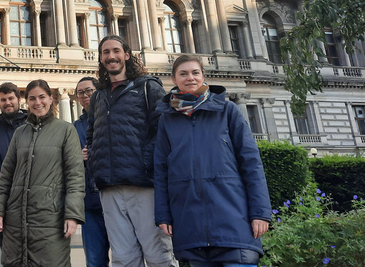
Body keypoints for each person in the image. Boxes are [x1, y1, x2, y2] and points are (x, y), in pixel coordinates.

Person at [154, 55, 272, 267]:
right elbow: (161, 170)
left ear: (203, 76)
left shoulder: (228, 111)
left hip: (233, 222)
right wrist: (163, 215)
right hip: (190, 226)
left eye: (195, 72)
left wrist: (260, 213)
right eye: (183, 73)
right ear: (173, 79)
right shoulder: (167, 119)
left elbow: (252, 164)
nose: (190, 77)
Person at [86, 35, 176, 267]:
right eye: (105, 52)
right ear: (101, 58)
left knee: (158, 256)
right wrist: (96, 167)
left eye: (116, 51)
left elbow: (162, 132)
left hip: (143, 185)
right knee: (123, 259)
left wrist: (145, 165)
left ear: (126, 55)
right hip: (109, 187)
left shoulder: (148, 87)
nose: (111, 56)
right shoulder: (98, 96)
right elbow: (91, 134)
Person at [0, 80, 85, 267]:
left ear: (51, 98)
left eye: (42, 97)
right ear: (27, 102)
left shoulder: (66, 130)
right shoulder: (20, 133)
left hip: (50, 217)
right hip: (16, 217)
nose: (37, 102)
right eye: (32, 98)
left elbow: (75, 176)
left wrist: (72, 214)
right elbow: (6, 176)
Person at [74, 76, 109, 267]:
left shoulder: (112, 118)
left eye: (89, 91)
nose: (85, 95)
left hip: (115, 197)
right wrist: (78, 157)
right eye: (81, 93)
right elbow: (67, 163)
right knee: (95, 261)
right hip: (91, 203)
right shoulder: (75, 128)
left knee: (126, 256)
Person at [0, 82, 27, 166]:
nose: (7, 103)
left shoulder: (33, 126)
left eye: (11, 98)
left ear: (19, 100)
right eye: (3, 100)